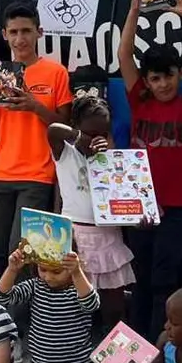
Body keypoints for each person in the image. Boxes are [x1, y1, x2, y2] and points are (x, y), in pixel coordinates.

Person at [118, 0, 182, 342]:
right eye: (155, 78)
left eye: (168, 76)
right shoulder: (139, 101)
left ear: (181, 75)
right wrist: (133, 12)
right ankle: (134, 351)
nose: (162, 85)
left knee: (165, 282)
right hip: (138, 207)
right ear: (147, 80)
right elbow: (124, 57)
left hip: (176, 208)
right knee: (140, 281)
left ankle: (160, 352)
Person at [0, 4, 72, 286]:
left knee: (20, 253)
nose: (20, 39)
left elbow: (65, 128)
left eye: (26, 31)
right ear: (4, 35)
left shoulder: (56, 72)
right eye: (14, 32)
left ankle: (17, 320)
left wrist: (33, 105)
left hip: (37, 175)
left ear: (39, 33)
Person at [44, 97, 134, 333]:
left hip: (108, 236)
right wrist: (79, 139)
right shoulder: (65, 152)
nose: (96, 139)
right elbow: (53, 129)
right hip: (75, 235)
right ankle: (68, 352)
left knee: (114, 307)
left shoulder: (112, 158)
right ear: (76, 125)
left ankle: (114, 354)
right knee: (71, 306)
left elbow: (127, 199)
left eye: (102, 133)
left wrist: (139, 218)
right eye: (91, 132)